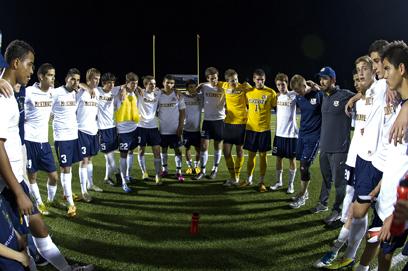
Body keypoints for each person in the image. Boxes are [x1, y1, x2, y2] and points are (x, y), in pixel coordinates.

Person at [1, 39, 93, 271]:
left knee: (35, 227)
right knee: (17, 237)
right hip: (7, 180)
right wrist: (18, 191)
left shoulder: (9, 90)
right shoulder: (3, 97)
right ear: (15, 63)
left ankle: (61, 268)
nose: (32, 71)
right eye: (30, 65)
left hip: (12, 177)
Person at [314, 67, 369, 268]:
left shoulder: (349, 95)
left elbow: (366, 92)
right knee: (344, 191)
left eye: (325, 78)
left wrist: (357, 96)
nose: (358, 82)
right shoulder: (323, 95)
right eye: (355, 78)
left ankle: (339, 218)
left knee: (350, 195)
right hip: (342, 153)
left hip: (353, 154)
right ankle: (332, 214)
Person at [374, 41, 408, 271]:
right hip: (391, 205)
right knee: (383, 255)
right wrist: (380, 184)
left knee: (385, 256)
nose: (383, 75)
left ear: (402, 69)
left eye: (387, 69)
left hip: (399, 212)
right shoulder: (401, 107)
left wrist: (396, 215)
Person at [311, 67, 354, 226]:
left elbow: (362, 94)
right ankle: (323, 204)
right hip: (325, 146)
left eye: (325, 78)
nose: (322, 81)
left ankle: (338, 210)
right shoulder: (323, 95)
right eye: (320, 78)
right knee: (326, 178)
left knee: (339, 182)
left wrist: (354, 99)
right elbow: (314, 90)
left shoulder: (344, 95)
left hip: (340, 149)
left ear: (333, 80)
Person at [24, 63, 59, 215]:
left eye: (54, 75)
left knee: (54, 176)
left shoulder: (53, 92)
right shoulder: (29, 92)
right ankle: (39, 203)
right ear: (41, 76)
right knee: (33, 177)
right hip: (29, 140)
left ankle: (51, 200)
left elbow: (71, 90)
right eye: (50, 75)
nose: (53, 78)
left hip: (44, 141)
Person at [239, 69, 277, 192]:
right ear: (254, 79)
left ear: (264, 79)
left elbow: (278, 108)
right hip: (251, 129)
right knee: (251, 156)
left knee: (263, 156)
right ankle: (249, 179)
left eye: (262, 79)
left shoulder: (271, 93)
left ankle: (261, 182)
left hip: (264, 130)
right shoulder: (248, 92)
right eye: (257, 79)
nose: (259, 81)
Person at [288, 74, 322, 208]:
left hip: (314, 136)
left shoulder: (317, 94)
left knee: (304, 166)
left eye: (299, 91)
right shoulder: (298, 96)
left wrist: (318, 88)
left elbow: (329, 100)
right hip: (302, 134)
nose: (298, 94)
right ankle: (303, 192)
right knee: (300, 163)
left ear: (304, 85)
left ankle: (302, 195)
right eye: (296, 92)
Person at [52, 68, 82, 217]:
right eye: (73, 79)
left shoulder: (75, 93)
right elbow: (48, 110)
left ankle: (66, 193)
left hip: (73, 135)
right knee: (66, 168)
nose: (76, 82)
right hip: (62, 137)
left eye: (77, 80)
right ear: (66, 79)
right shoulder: (56, 92)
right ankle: (70, 203)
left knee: (69, 167)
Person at [194, 67, 225, 180]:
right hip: (207, 121)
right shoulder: (205, 87)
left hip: (220, 120)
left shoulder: (223, 87)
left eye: (215, 78)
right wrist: (199, 86)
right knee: (203, 146)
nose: (214, 80)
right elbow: (195, 91)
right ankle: (202, 171)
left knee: (217, 146)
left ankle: (214, 170)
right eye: (211, 78)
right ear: (208, 78)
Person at [221, 69, 250, 187]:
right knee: (226, 152)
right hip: (228, 123)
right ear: (227, 81)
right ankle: (233, 176)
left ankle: (236, 177)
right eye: (232, 80)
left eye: (236, 79)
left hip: (241, 123)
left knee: (239, 151)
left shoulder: (244, 87)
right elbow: (211, 83)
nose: (235, 82)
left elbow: (255, 92)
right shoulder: (223, 85)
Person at [77, 68, 103, 202]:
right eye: (94, 78)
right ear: (88, 80)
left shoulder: (98, 92)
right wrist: (85, 87)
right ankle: (83, 191)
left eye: (98, 79)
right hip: (82, 131)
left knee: (91, 159)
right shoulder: (81, 92)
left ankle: (90, 183)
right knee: (84, 160)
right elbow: (76, 84)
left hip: (94, 130)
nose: (97, 81)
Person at [270, 73, 298, 194]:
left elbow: (305, 90)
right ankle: (278, 182)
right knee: (278, 158)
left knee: (292, 160)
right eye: (278, 84)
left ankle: (291, 185)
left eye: (283, 84)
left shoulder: (293, 95)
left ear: (287, 84)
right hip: (279, 134)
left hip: (291, 134)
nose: (281, 86)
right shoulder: (277, 97)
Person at [158, 75, 186, 182]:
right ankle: (165, 169)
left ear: (174, 85)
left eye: (171, 83)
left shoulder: (178, 95)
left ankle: (178, 172)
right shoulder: (158, 95)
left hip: (175, 129)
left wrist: (181, 126)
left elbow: (183, 112)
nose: (169, 85)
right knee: (163, 149)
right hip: (163, 129)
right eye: (167, 82)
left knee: (178, 150)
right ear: (163, 83)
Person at [114, 72, 140, 192]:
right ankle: (124, 182)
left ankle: (128, 176)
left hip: (134, 128)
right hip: (123, 130)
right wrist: (122, 88)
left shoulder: (134, 93)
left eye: (136, 83)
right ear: (126, 82)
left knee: (131, 152)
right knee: (123, 154)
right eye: (132, 83)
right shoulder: (119, 91)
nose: (134, 85)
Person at [136, 75, 162, 185]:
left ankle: (157, 175)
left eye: (154, 83)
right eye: (151, 83)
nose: (153, 85)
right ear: (145, 84)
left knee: (157, 151)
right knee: (141, 150)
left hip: (153, 127)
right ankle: (144, 172)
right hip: (141, 126)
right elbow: (128, 85)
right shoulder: (139, 92)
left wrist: (177, 91)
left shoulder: (158, 93)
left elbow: (169, 89)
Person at [97, 72, 121, 186]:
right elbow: (82, 85)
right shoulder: (97, 91)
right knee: (109, 154)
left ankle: (107, 177)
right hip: (101, 129)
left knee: (110, 155)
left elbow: (126, 86)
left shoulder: (114, 91)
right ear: (103, 83)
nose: (111, 85)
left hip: (112, 128)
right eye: (109, 83)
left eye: (113, 83)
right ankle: (118, 174)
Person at [182, 80, 202, 176]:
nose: (192, 89)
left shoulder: (200, 97)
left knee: (198, 149)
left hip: (197, 129)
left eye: (194, 87)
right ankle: (190, 167)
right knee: (187, 148)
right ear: (187, 88)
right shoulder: (182, 97)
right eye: (190, 87)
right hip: (186, 129)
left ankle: (196, 166)